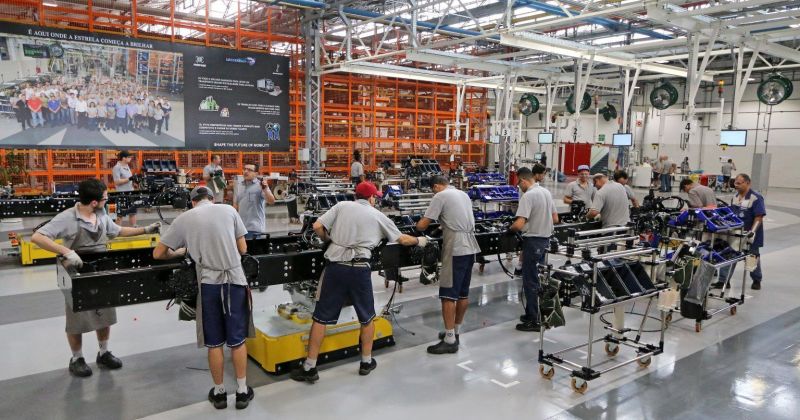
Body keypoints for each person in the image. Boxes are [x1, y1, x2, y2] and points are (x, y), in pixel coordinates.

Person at [291, 181, 424, 383]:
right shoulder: (378, 215)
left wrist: (328, 240)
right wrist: (420, 241)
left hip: (335, 268)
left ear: (356, 196)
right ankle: (366, 362)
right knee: (366, 317)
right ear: (371, 198)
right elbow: (402, 239)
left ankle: (309, 367)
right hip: (360, 269)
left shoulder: (341, 206)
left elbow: (317, 226)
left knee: (320, 318)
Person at [30, 179, 160, 378]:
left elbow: (117, 231)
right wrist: (66, 251)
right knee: (77, 318)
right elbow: (38, 237)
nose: (107, 201)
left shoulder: (101, 214)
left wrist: (145, 230)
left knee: (104, 313)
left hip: (101, 269)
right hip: (77, 272)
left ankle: (104, 353)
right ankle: (77, 358)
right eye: (105, 198)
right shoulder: (67, 218)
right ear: (93, 202)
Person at [153, 186, 255, 410]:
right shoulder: (229, 210)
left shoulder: (184, 218)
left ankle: (219, 394)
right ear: (211, 198)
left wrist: (181, 252)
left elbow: (158, 253)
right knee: (237, 340)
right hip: (235, 282)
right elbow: (243, 248)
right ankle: (241, 392)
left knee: (214, 342)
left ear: (192, 202)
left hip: (209, 285)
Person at [415, 175, 480, 353]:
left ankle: (450, 341)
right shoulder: (463, 194)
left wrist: (417, 226)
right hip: (470, 247)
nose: (433, 193)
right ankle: (455, 332)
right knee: (462, 294)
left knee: (448, 295)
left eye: (432, 190)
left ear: (436, 186)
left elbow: (423, 225)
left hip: (455, 249)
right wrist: (441, 227)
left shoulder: (440, 196)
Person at [509, 165, 558, 332]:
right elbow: (555, 218)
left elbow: (519, 223)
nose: (519, 186)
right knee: (539, 279)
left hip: (533, 241)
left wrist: (509, 230)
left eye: (518, 183)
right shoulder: (546, 192)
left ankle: (533, 319)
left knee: (530, 280)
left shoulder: (528, 196)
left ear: (523, 180)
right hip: (545, 241)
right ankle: (535, 313)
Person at [717, 174, 765, 290]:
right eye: (735, 183)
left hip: (750, 234)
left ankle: (756, 280)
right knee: (729, 255)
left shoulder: (756, 197)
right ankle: (724, 281)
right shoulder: (735, 197)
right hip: (735, 233)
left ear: (748, 183)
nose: (736, 185)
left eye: (739, 183)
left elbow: (759, 216)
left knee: (752, 257)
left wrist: (752, 232)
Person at [233, 163, 275, 239]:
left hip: (254, 229)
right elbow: (236, 205)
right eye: (245, 169)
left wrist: (265, 189)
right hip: (241, 229)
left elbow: (271, 201)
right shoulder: (240, 186)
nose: (246, 171)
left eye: (249, 170)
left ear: (256, 174)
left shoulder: (261, 186)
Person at [112, 150, 138, 226]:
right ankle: (116, 230)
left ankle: (134, 229)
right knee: (120, 214)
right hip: (121, 194)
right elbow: (117, 182)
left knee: (132, 212)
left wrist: (134, 183)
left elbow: (128, 179)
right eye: (129, 157)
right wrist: (129, 179)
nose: (130, 158)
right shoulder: (117, 168)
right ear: (124, 158)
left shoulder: (127, 166)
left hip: (130, 192)